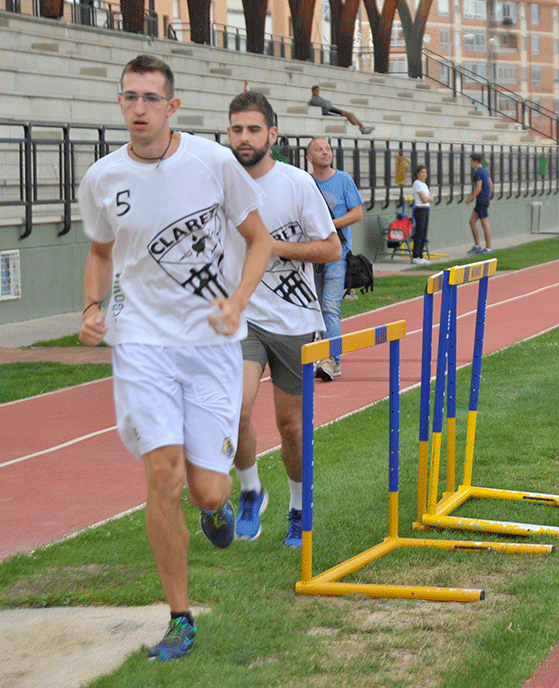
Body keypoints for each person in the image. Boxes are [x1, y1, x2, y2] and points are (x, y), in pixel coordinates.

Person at [77, 54, 271, 661]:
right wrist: (91, 306)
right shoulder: (103, 178)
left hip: (211, 344)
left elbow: (259, 240)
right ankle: (180, 616)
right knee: (162, 472)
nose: (138, 109)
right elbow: (101, 252)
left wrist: (238, 302)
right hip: (141, 343)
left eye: (150, 98)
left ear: (172, 105)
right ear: (121, 104)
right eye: (129, 98)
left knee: (207, 492)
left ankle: (218, 506)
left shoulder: (212, 162)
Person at [226, 93, 342, 547]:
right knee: (234, 408)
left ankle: (298, 506)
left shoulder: (296, 184)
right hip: (243, 316)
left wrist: (274, 247)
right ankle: (251, 489)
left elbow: (331, 249)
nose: (245, 138)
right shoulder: (221, 182)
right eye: (237, 129)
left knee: (290, 427)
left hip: (293, 320)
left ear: (272, 135)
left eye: (254, 129)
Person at [307, 136, 364, 381]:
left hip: (336, 254)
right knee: (314, 309)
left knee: (330, 307)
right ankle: (321, 355)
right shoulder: (304, 182)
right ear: (309, 157)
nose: (325, 152)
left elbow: (357, 213)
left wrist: (328, 224)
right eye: (319, 149)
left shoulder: (343, 180)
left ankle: (332, 360)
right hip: (310, 255)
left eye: (328, 148)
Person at [308, 85, 374, 134]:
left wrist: (327, 103)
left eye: (318, 90)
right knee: (348, 115)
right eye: (316, 91)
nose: (318, 92)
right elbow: (326, 104)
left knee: (351, 114)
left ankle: (363, 127)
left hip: (331, 108)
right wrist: (327, 103)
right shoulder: (314, 99)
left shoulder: (319, 98)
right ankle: (360, 129)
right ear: (313, 91)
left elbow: (328, 102)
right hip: (328, 111)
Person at [466, 153, 492, 254]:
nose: (470, 163)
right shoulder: (484, 170)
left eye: (471, 161)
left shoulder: (478, 172)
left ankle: (488, 248)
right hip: (484, 200)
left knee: (484, 223)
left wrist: (470, 199)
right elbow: (491, 184)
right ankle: (477, 245)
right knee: (472, 221)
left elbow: (478, 188)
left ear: (475, 161)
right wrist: (488, 197)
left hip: (481, 200)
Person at [411, 164, 433, 265]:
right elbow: (425, 199)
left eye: (425, 172)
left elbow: (431, 198)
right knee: (419, 232)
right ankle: (416, 255)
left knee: (424, 233)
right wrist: (428, 198)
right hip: (420, 209)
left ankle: (421, 255)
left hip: (426, 209)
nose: (424, 174)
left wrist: (428, 198)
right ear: (418, 174)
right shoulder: (417, 183)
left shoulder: (425, 185)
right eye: (422, 172)